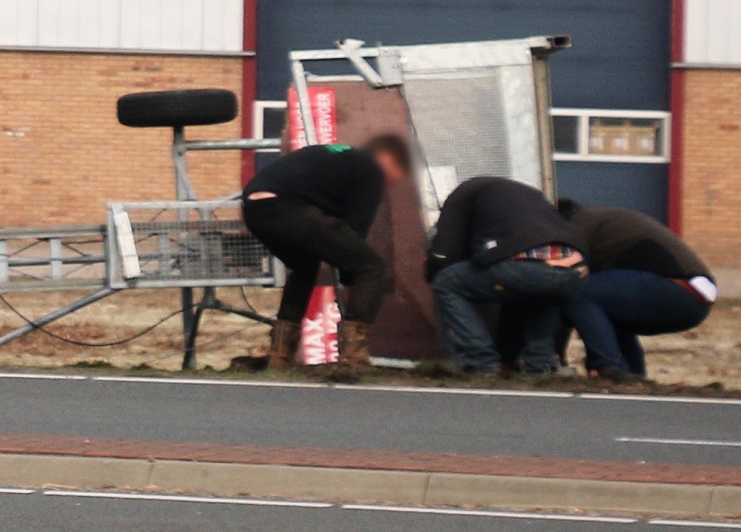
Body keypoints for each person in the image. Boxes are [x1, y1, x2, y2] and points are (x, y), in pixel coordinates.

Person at [235, 130, 415, 372]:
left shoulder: (340, 157)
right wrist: (354, 279)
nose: (393, 183)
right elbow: (355, 231)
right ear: (389, 160)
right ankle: (354, 358)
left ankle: (280, 357)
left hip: (255, 209)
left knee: (304, 267)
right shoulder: (372, 169)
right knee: (372, 268)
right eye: (398, 174)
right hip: (290, 207)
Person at [528, 201, 720, 385]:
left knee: (578, 291)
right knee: (607, 309)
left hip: (680, 287)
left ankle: (609, 369)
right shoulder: (598, 222)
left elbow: (563, 289)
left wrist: (551, 355)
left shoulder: (576, 226)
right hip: (695, 293)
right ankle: (632, 379)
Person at [425, 171, 588, 378]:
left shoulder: (462, 194)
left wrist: (430, 271)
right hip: (574, 271)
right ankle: (540, 366)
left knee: (446, 282)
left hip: (523, 265)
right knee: (542, 294)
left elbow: (442, 254)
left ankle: (480, 361)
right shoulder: (532, 196)